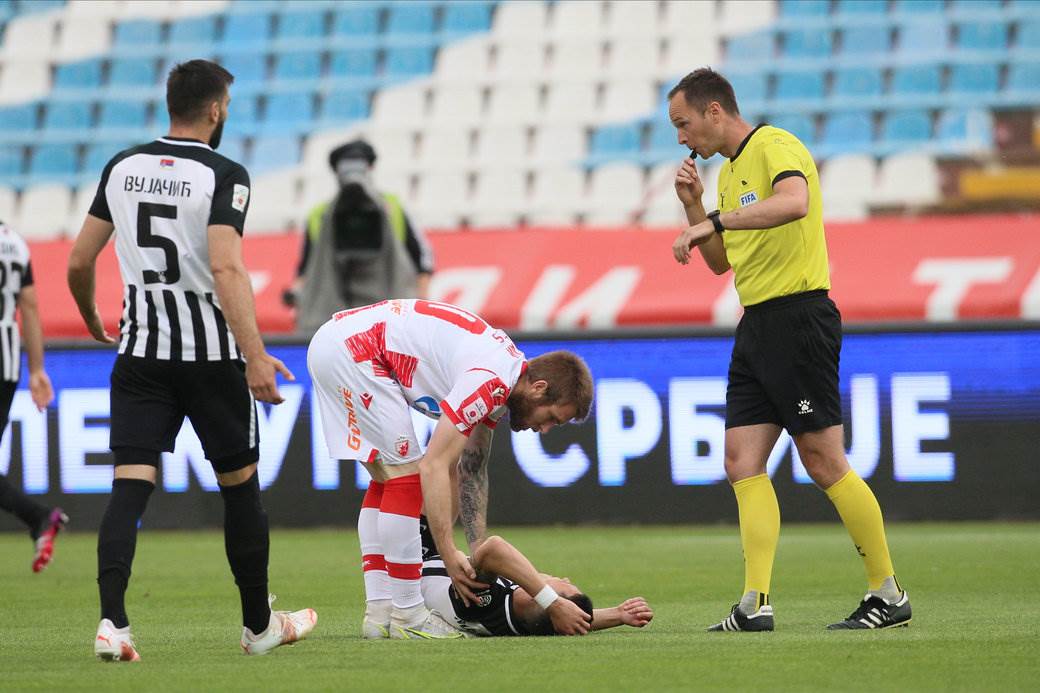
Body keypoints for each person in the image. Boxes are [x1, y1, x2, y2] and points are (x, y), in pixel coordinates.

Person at [67, 59, 315, 661]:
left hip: (141, 355)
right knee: (240, 490)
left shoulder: (122, 166)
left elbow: (79, 261)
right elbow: (227, 267)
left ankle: (113, 624)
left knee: (129, 487)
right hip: (209, 359)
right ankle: (259, 628)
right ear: (216, 109)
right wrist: (255, 355)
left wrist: (93, 317)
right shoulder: (225, 175)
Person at [666, 68, 910, 631]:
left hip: (799, 316)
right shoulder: (726, 177)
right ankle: (755, 604)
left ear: (714, 112)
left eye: (683, 124)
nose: (681, 138)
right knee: (741, 461)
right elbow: (721, 261)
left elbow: (795, 201)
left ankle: (888, 593)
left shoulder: (776, 144)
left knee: (824, 462)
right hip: (757, 324)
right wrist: (695, 208)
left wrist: (718, 218)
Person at [307, 298, 594, 639]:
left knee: (386, 481)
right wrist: (447, 552)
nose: (544, 430)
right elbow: (435, 465)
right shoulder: (491, 380)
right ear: (538, 388)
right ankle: (409, 616)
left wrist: (475, 555)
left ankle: (380, 612)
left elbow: (471, 470)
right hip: (357, 352)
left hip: (343, 343)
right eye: (550, 419)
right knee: (407, 479)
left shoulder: (501, 381)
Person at [286, 139, 434, 335]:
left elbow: (421, 261)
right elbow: (308, 268)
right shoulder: (320, 215)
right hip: (336, 310)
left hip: (389, 308)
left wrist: (418, 309)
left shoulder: (392, 207)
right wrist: (298, 296)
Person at [419, 518, 653, 638]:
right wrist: (618, 614)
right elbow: (567, 621)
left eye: (566, 585)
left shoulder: (484, 602)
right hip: (423, 553)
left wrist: (553, 602)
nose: (565, 578)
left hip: (414, 555)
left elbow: (494, 548)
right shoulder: (524, 622)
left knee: (436, 474)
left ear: (543, 602)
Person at [0, 220, 64, 573]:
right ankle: (39, 517)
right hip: (6, 365)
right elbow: (30, 306)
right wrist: (37, 369)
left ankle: (39, 517)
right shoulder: (15, 242)